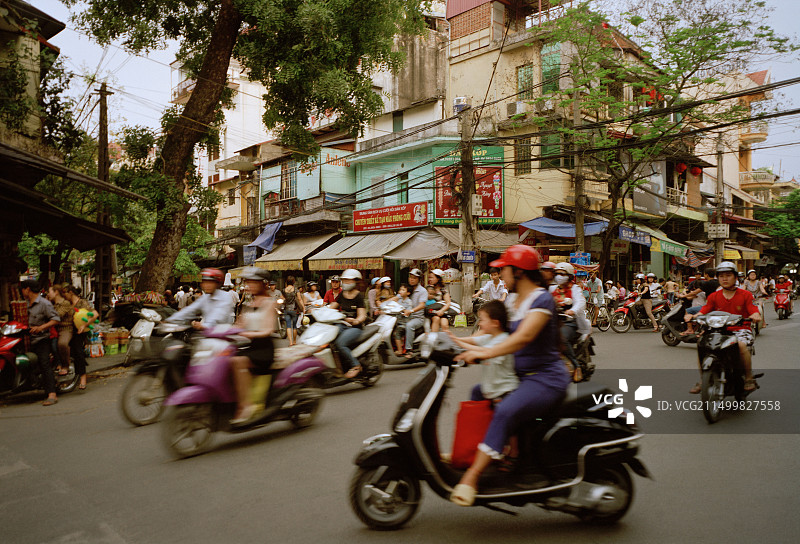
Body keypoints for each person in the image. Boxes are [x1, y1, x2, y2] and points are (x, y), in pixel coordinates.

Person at [450, 245, 570, 507]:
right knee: (478, 394)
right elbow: (492, 331)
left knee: (505, 410)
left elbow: (523, 337)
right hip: (520, 376)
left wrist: (484, 354)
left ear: (518, 272)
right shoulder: (512, 300)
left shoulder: (541, 300)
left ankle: (473, 475)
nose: (500, 275)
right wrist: (454, 342)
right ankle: (480, 451)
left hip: (544, 378)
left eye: (503, 270)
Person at [689, 262, 761, 394]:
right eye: (721, 276)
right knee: (702, 344)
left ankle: (749, 378)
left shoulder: (745, 295)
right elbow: (704, 310)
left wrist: (755, 315)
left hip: (740, 329)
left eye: (728, 275)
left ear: (735, 277)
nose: (725, 279)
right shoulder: (714, 296)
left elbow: (753, 309)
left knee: (740, 345)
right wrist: (694, 316)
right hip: (718, 330)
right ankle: (702, 380)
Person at [227, 267, 277, 424]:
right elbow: (239, 324)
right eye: (248, 282)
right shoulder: (249, 302)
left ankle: (246, 406)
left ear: (263, 284)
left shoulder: (269, 303)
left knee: (237, 362)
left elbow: (268, 330)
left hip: (264, 350)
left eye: (253, 282)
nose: (249, 285)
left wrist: (248, 334)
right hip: (250, 347)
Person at [448, 300, 518, 402]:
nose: (479, 323)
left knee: (499, 415)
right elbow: (472, 341)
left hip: (504, 391)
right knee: (476, 392)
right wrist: (453, 338)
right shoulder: (489, 337)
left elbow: (484, 351)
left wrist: (460, 345)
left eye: (482, 320)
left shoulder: (503, 340)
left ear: (495, 323)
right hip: (491, 388)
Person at [20, 279, 61, 406]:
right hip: (26, 340)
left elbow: (55, 319)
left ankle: (52, 394)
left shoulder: (44, 304)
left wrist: (41, 328)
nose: (22, 291)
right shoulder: (23, 304)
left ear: (27, 289)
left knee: (44, 364)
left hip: (41, 339)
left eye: (22, 289)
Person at [550, 262, 591, 381]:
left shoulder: (575, 288)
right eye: (557, 274)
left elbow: (581, 302)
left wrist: (572, 310)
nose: (559, 276)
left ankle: (575, 366)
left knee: (561, 337)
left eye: (562, 274)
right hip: (553, 322)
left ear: (569, 276)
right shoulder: (552, 288)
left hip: (569, 322)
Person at [166, 268, 236, 329]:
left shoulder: (225, 297)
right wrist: (170, 320)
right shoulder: (205, 298)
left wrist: (204, 326)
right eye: (205, 282)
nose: (207, 285)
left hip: (222, 336)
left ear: (217, 284)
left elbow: (217, 316)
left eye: (210, 282)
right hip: (205, 334)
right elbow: (190, 310)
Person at [328, 269, 367, 378]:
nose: (345, 283)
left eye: (348, 281)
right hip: (342, 324)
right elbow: (332, 306)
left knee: (340, 343)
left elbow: (362, 315)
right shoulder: (342, 294)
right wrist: (318, 310)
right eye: (344, 280)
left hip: (355, 328)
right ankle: (337, 367)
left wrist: (356, 320)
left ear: (355, 282)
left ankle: (356, 365)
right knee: (328, 339)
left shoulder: (358, 296)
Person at [63, 285, 94, 390]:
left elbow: (93, 315)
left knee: (78, 352)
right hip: (68, 330)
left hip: (80, 331)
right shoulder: (67, 304)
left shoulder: (83, 302)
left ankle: (83, 378)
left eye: (65, 293)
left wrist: (84, 325)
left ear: (70, 292)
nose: (64, 296)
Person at [46, 285, 73, 377]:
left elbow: (57, 315)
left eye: (50, 292)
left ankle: (65, 365)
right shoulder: (51, 304)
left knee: (62, 343)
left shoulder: (65, 303)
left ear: (56, 292)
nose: (48, 294)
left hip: (65, 329)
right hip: (53, 329)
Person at [401, 268, 428, 359]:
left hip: (417, 318)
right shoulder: (407, 289)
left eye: (414, 278)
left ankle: (409, 350)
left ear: (419, 280)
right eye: (410, 277)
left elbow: (422, 305)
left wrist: (411, 311)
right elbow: (397, 297)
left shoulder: (422, 291)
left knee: (409, 326)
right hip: (406, 316)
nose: (411, 279)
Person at [392, 284, 414, 355]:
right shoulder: (399, 298)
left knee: (397, 333)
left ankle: (400, 350)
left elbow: (407, 312)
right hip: (397, 321)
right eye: (400, 289)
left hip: (404, 323)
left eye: (403, 290)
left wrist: (400, 306)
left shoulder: (409, 302)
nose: (400, 291)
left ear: (408, 293)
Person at [282, 276, 304, 346]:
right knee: (294, 326)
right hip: (294, 310)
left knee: (288, 326)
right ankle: (294, 341)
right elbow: (300, 299)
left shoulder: (283, 290)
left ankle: (290, 342)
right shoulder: (296, 290)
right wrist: (303, 308)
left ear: (287, 282)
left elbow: (282, 299)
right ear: (293, 282)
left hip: (286, 310)